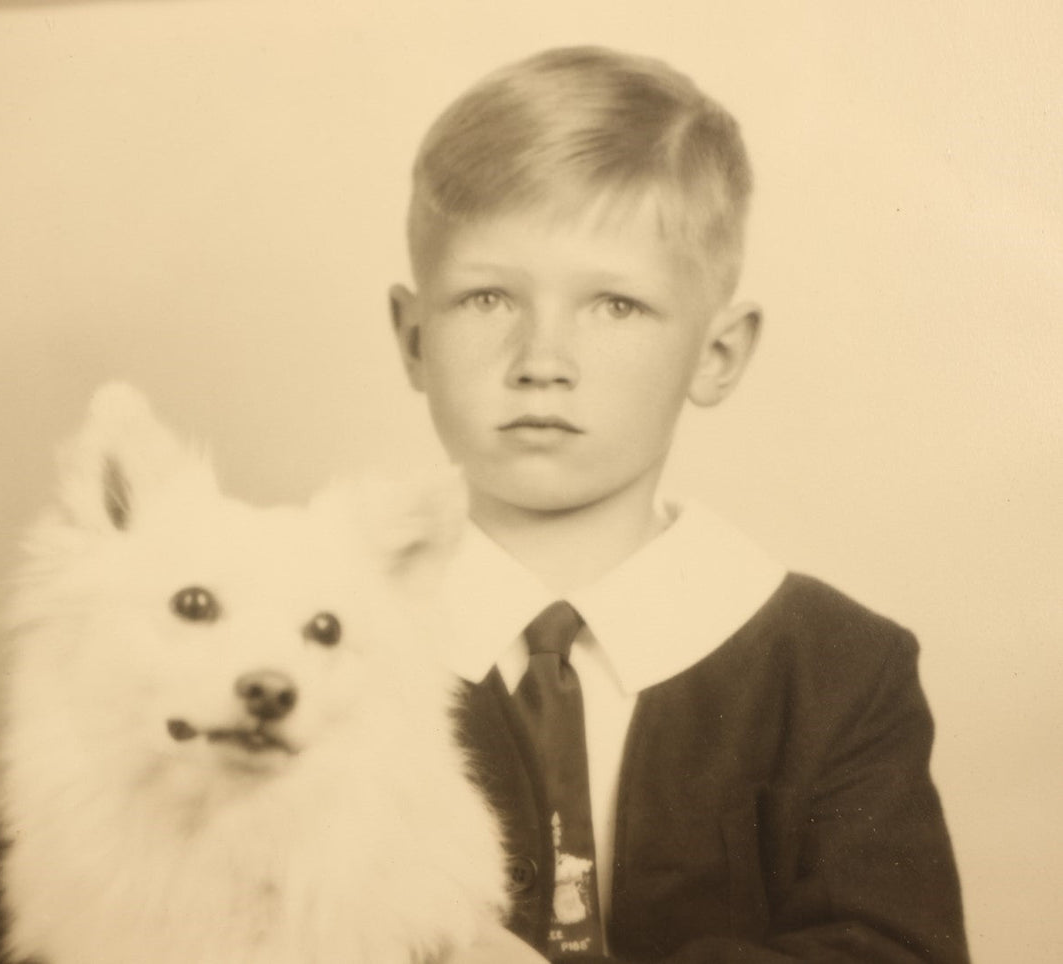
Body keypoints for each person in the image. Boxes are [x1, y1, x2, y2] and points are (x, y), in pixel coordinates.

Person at [391, 46, 968, 962]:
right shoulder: (314, 629)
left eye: (614, 306)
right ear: (413, 335)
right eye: (488, 295)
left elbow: (892, 952)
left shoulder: (840, 671)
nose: (543, 359)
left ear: (718, 353)